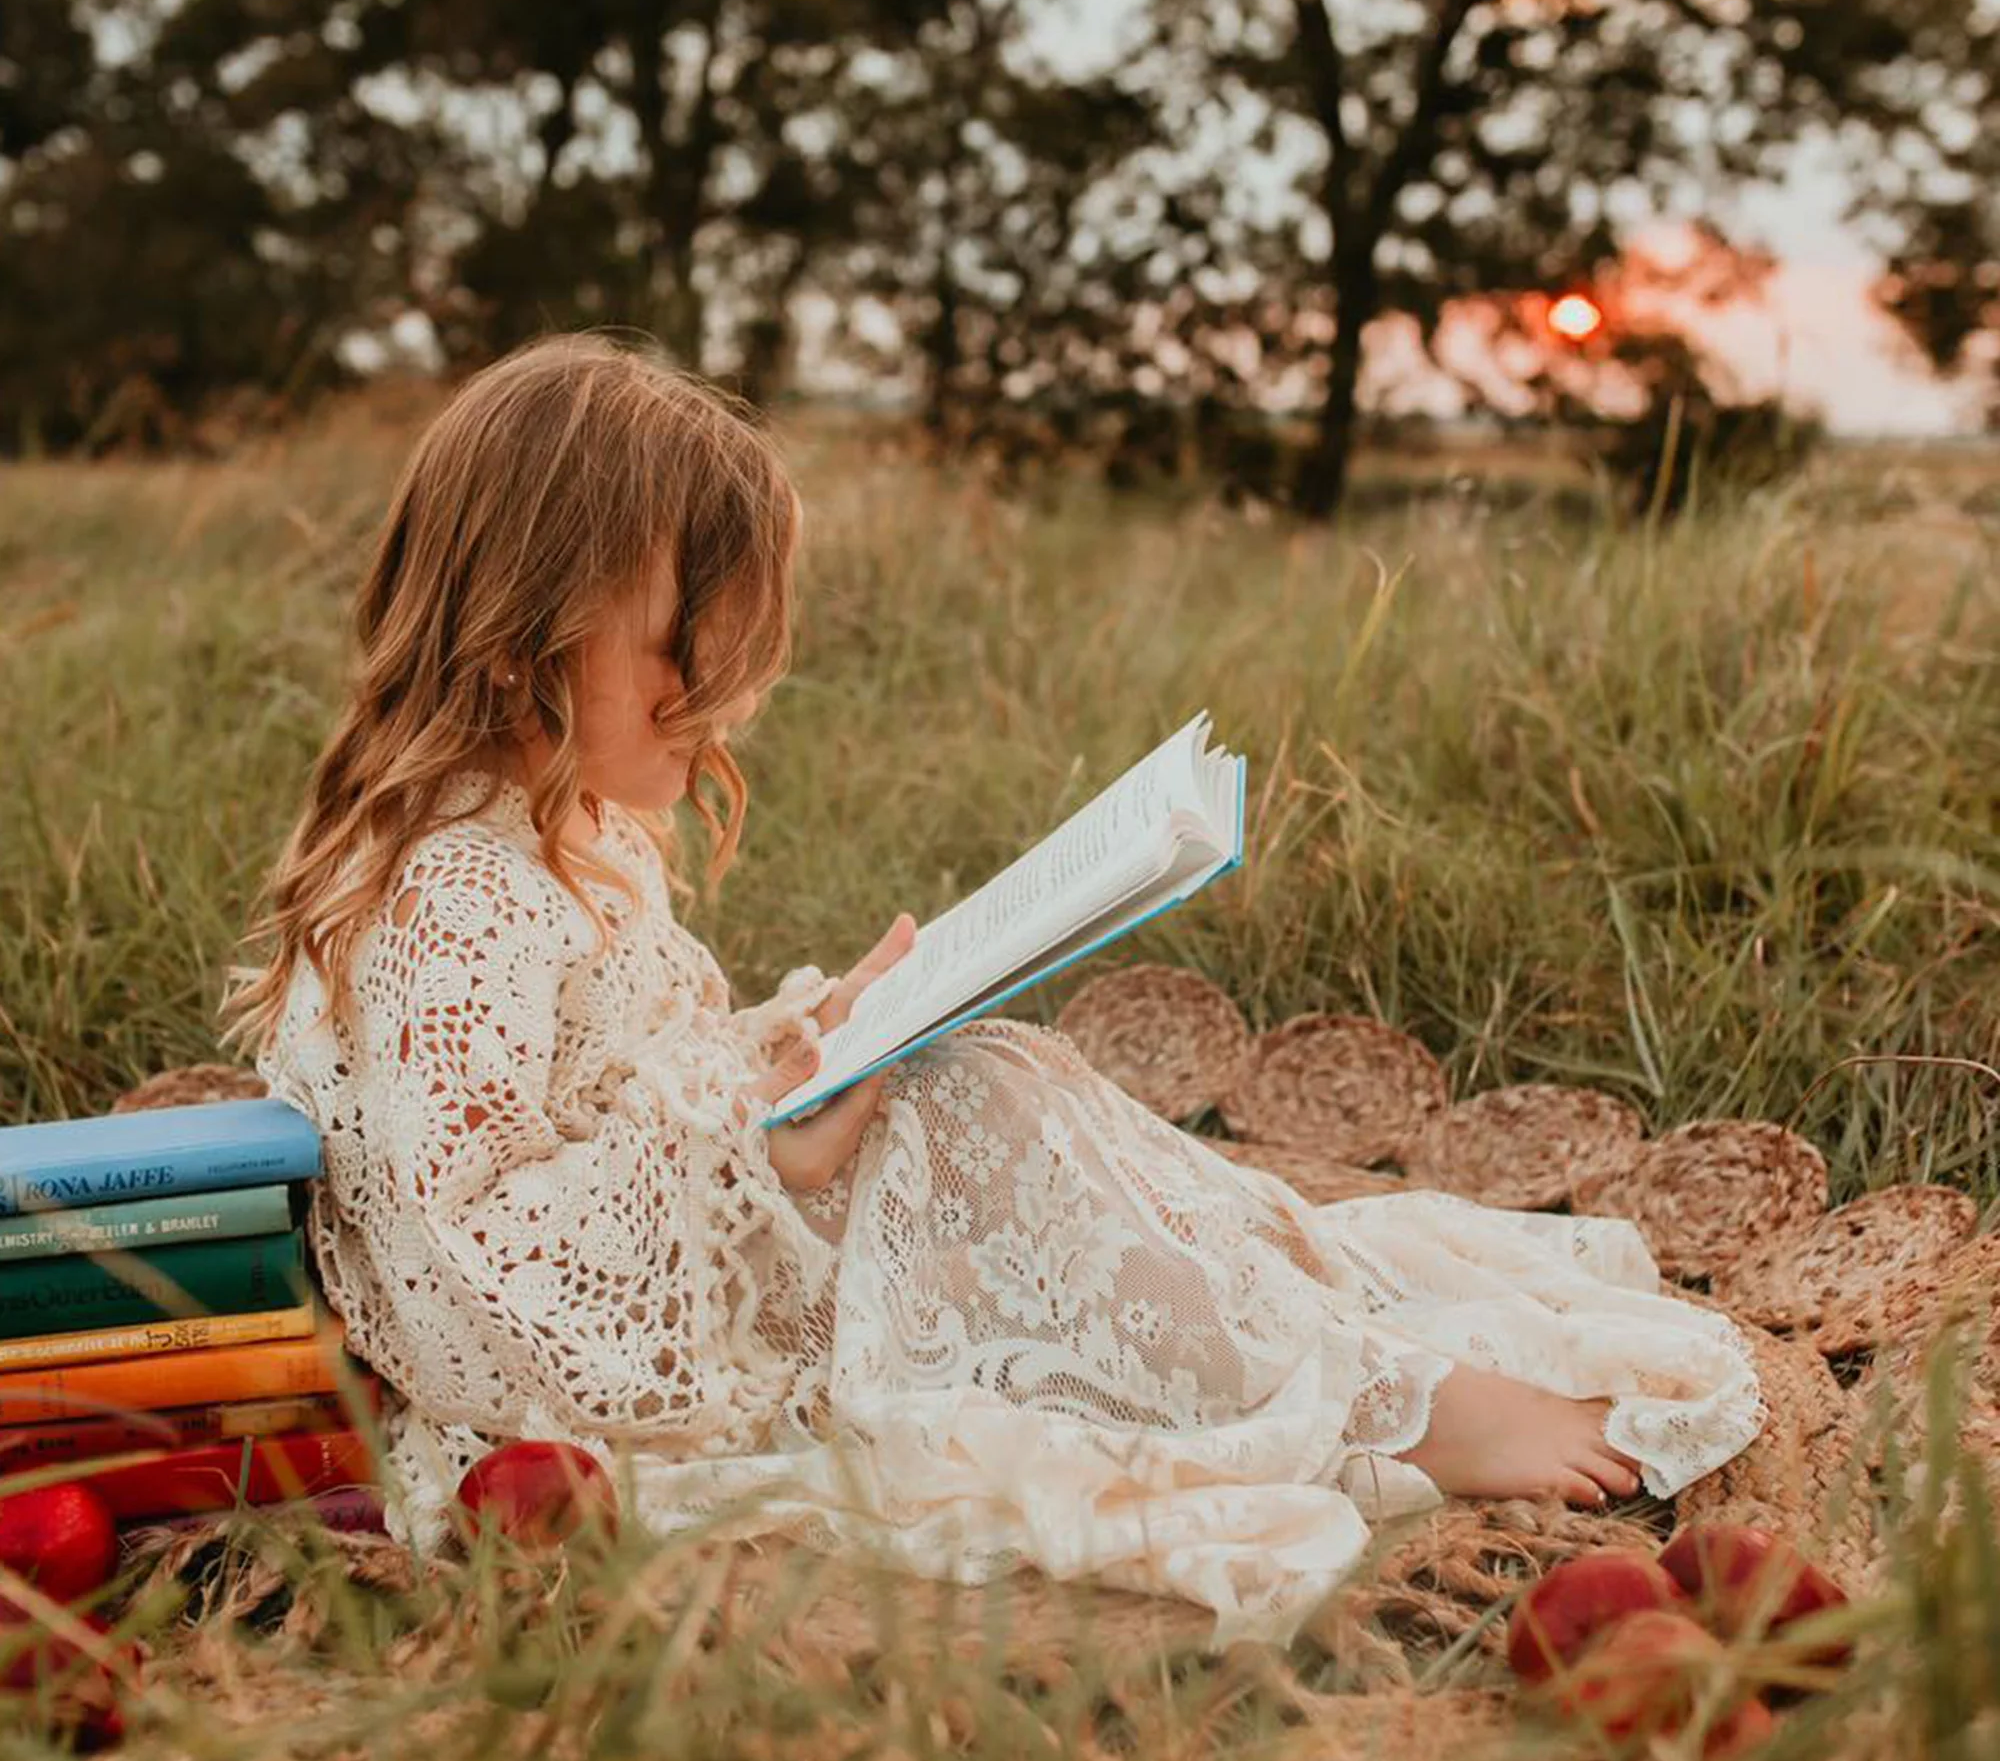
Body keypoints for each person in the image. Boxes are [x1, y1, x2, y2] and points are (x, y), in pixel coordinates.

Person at [224, 333, 1764, 1650]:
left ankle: (1333, 1341)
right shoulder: (450, 899)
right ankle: (1389, 1401)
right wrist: (751, 1154)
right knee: (991, 1109)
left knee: (998, 1083)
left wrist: (797, 1050)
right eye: (681, 662)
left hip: (715, 1253)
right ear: (518, 642)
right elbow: (461, 1259)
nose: (723, 706)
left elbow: (634, 1081)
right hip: (625, 1364)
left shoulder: (569, 839)